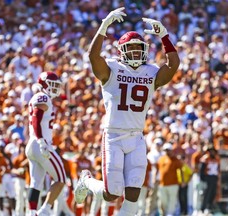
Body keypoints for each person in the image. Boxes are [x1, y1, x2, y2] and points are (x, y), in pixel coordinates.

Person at [74, 7, 180, 216]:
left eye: (138, 48)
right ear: (122, 51)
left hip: (137, 136)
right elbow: (93, 56)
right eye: (130, 48)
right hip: (113, 135)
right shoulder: (112, 69)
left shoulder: (150, 72)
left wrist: (165, 37)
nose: (135, 52)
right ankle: (86, 181)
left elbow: (173, 64)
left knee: (133, 193)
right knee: (112, 193)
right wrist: (103, 27)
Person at [25, 71, 66, 216]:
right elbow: (36, 118)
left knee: (36, 183)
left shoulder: (41, 97)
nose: (55, 88)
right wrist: (42, 141)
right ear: (43, 84)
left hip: (33, 143)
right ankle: (45, 210)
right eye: (52, 84)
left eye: (56, 85)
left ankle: (32, 212)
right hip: (41, 143)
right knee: (61, 179)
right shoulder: (42, 97)